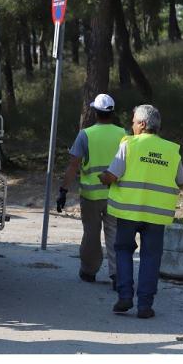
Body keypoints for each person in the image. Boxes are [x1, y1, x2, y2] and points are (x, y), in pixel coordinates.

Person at [99, 104, 183, 319]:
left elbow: (112, 175)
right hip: (156, 215)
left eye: (134, 122)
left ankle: (125, 297)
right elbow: (180, 181)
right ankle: (145, 306)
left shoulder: (129, 144)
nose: (132, 126)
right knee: (151, 258)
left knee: (123, 251)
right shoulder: (171, 149)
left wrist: (103, 177)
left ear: (143, 124)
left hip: (128, 212)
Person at [59, 93, 126, 289]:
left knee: (91, 235)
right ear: (112, 112)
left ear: (95, 112)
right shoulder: (124, 134)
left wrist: (63, 190)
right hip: (116, 194)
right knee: (115, 235)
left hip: (91, 196)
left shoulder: (85, 134)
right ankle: (117, 275)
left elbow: (73, 165)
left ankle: (89, 271)